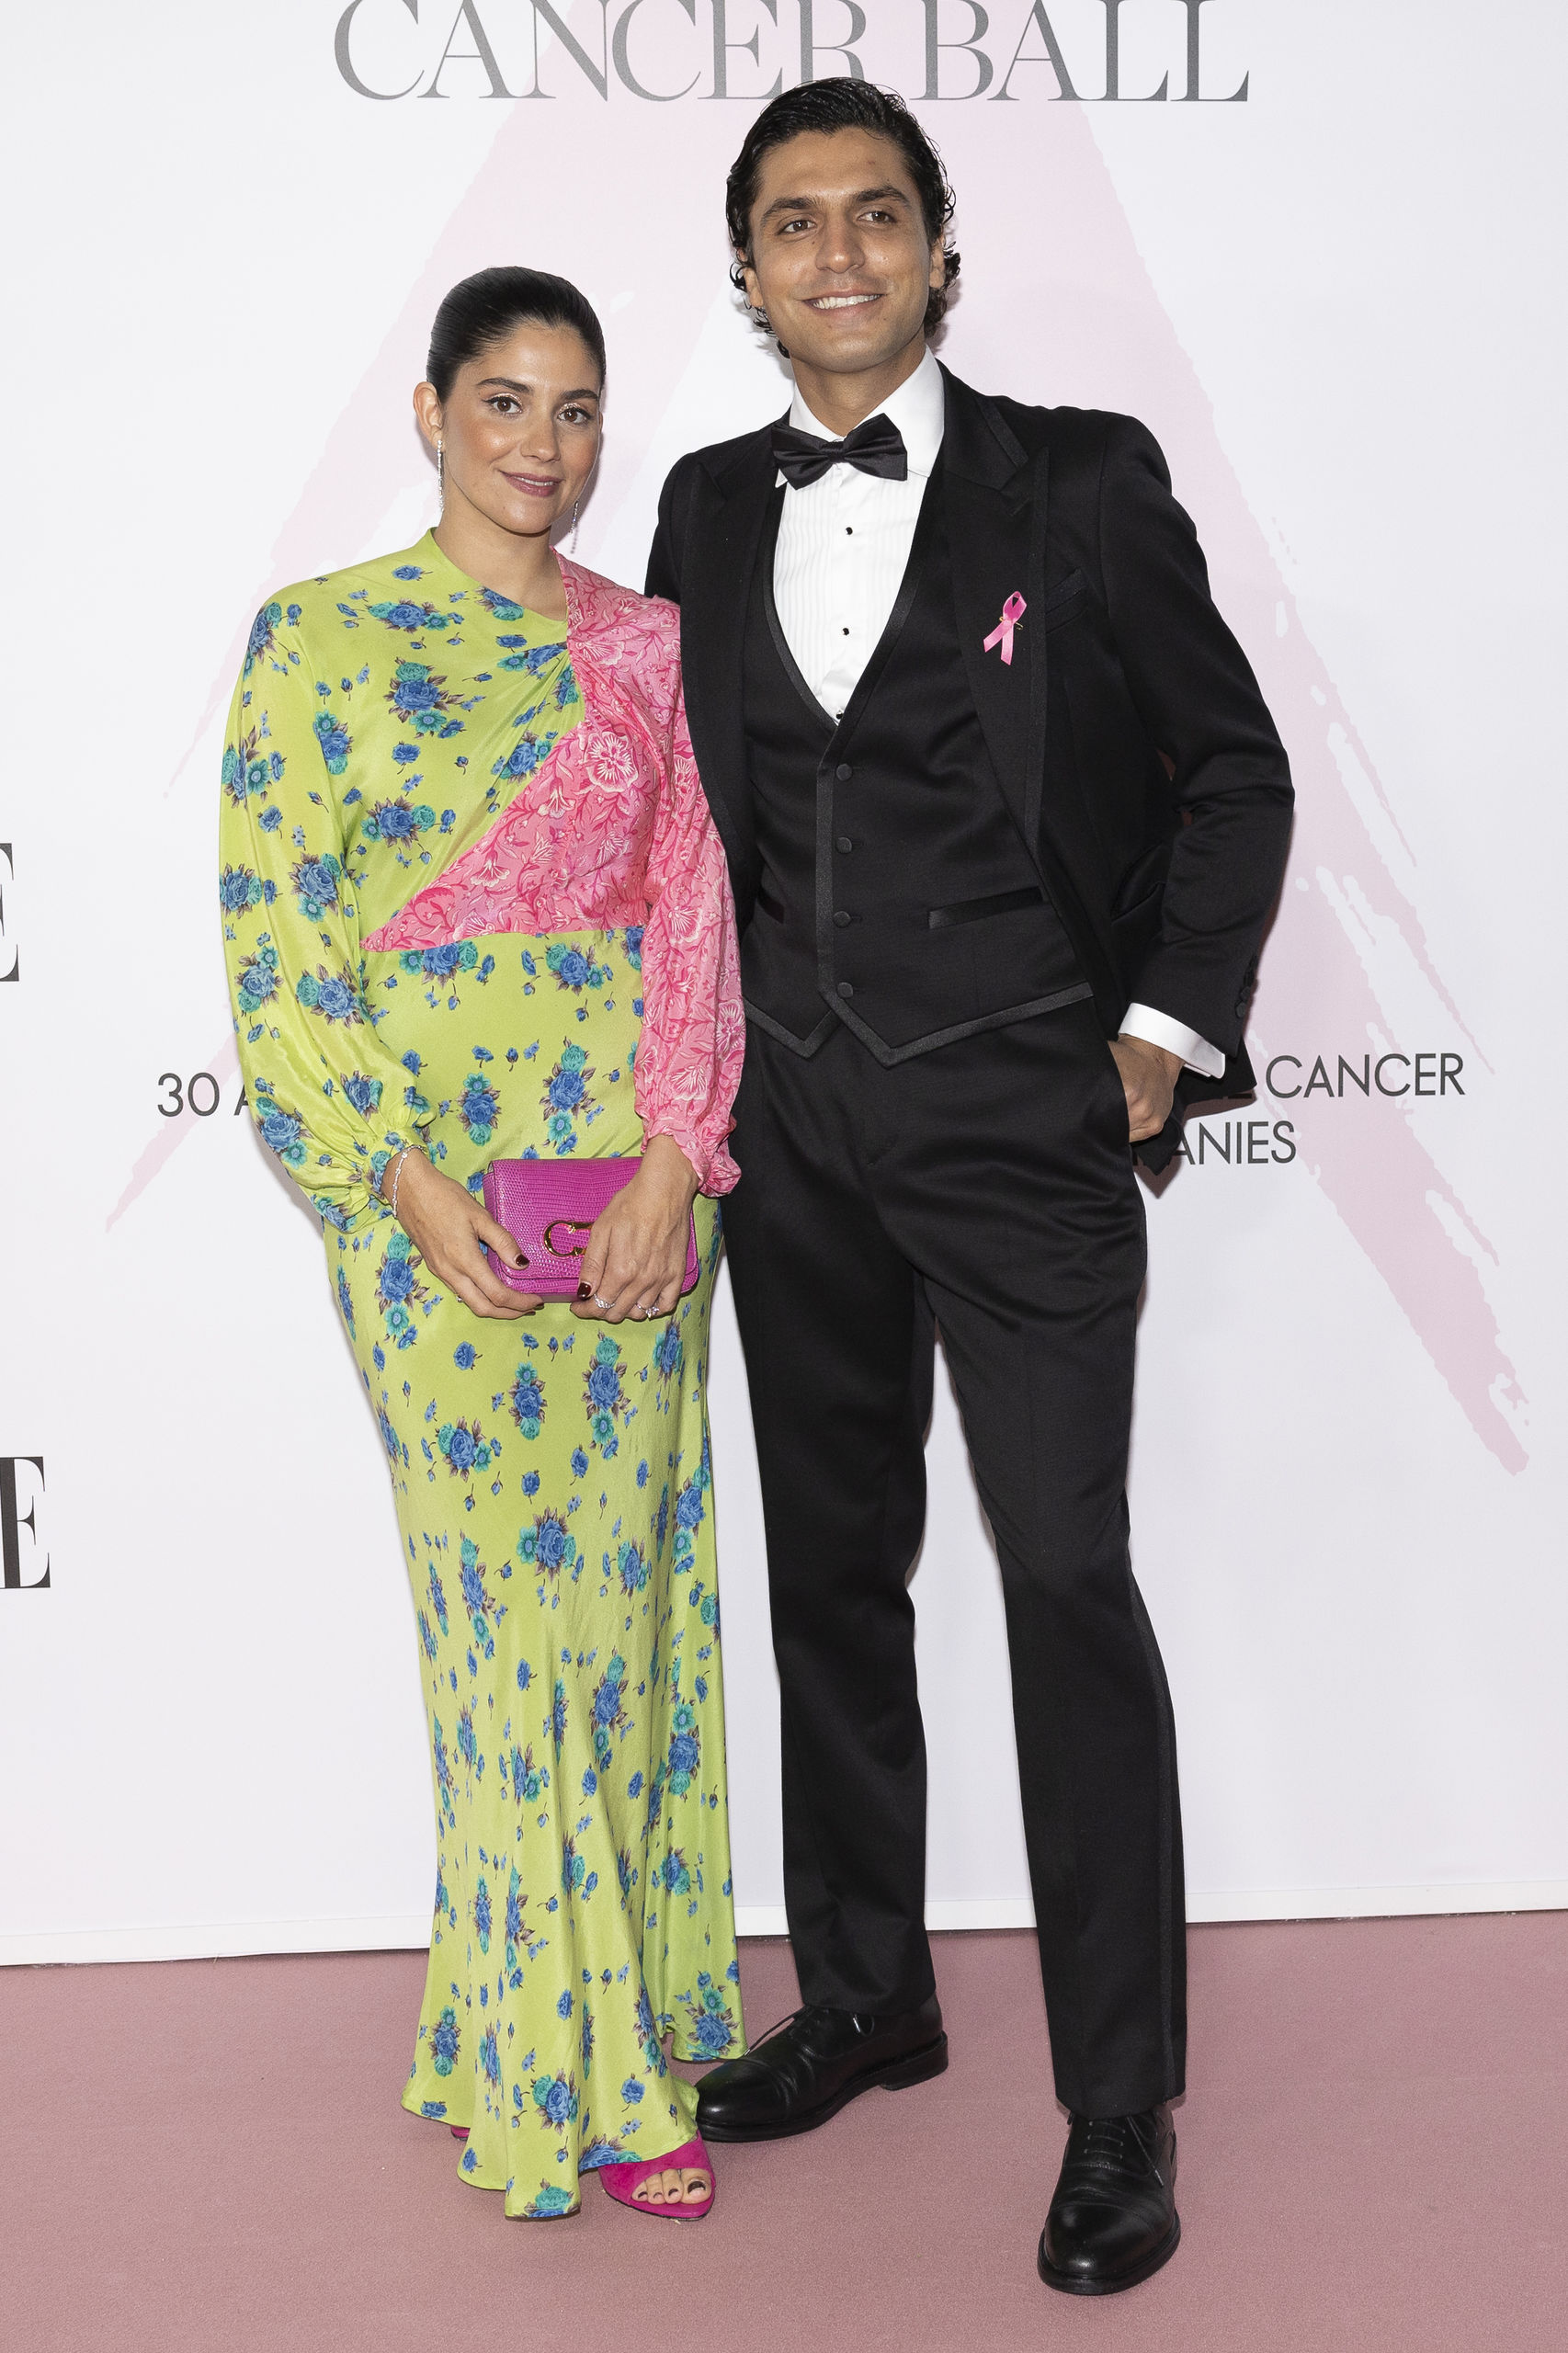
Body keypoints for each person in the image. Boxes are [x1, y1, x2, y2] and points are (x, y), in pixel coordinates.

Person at [646, 83, 1293, 2294]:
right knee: (832, 1576)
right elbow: (684, 821)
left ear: (939, 249)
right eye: (791, 221)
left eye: (874, 213)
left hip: (1022, 1114)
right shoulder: (703, 501)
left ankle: (1119, 2105)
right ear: (748, 272)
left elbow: (1231, 771)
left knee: (1064, 1583)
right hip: (791, 1125)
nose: (835, 251)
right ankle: (865, 1995)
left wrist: (1157, 1029)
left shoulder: (1080, 479)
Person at [221, 267, 744, 2222]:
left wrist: (676, 1159)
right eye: (507, 400)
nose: (543, 443)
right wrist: (394, 1176)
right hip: (422, 1197)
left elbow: (695, 916)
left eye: (577, 408)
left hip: (622, 1193)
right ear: (432, 410)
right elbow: (280, 936)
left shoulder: (647, 645)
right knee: (499, 1624)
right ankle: (584, 2075)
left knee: (616, 1613)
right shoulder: (316, 639)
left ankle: (530, 2024)